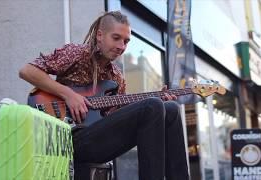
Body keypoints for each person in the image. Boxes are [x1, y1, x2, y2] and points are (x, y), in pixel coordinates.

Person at [19, 11, 189, 180]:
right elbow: (27, 71)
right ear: (100, 35)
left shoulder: (117, 77)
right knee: (153, 105)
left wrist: (158, 102)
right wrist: (68, 94)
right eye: (116, 38)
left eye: (126, 41)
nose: (122, 46)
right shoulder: (76, 54)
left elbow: (116, 120)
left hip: (97, 141)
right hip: (68, 139)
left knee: (171, 109)